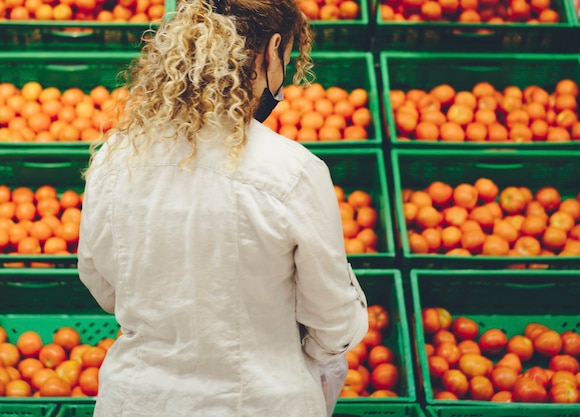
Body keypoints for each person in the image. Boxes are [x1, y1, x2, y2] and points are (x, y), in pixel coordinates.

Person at [77, 0, 369, 416]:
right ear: (271, 52)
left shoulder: (115, 158)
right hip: (258, 401)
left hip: (140, 400)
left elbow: (103, 285)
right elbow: (332, 319)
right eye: (285, 60)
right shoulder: (291, 170)